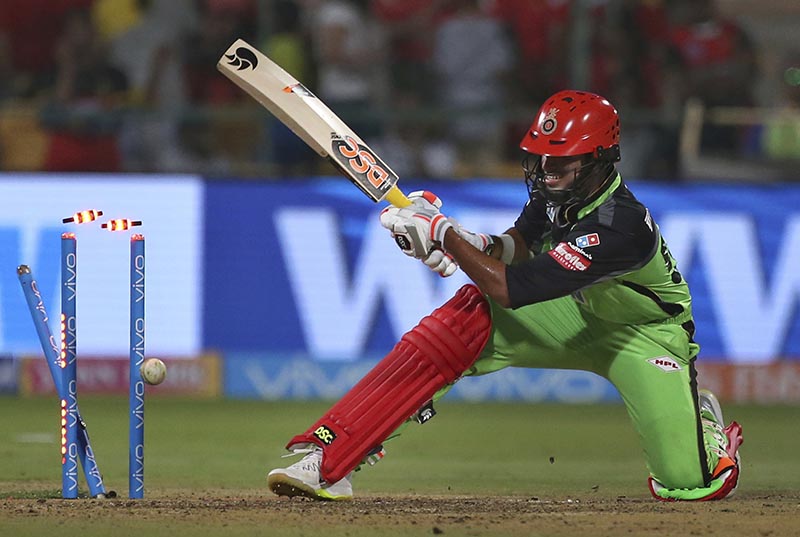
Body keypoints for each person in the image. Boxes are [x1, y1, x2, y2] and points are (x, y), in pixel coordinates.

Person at [266, 89, 743, 502]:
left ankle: (702, 430)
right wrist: (466, 240)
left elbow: (511, 287)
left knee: (689, 486)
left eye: (561, 160)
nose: (546, 170)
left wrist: (442, 233)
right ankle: (330, 457)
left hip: (647, 337)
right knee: (467, 318)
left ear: (600, 159)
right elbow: (515, 248)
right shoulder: (557, 195)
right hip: (578, 315)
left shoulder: (621, 226)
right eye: (542, 157)